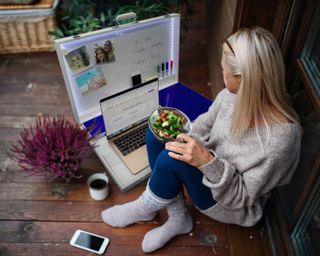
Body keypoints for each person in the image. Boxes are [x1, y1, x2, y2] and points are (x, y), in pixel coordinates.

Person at [101, 27, 302, 253]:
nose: (222, 72)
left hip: (230, 204)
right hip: (210, 168)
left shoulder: (281, 140)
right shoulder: (231, 96)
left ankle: (145, 207)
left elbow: (242, 198)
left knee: (171, 159)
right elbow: (204, 124)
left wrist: (206, 161)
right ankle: (178, 217)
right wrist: (184, 138)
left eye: (223, 69)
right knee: (156, 133)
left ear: (244, 78)